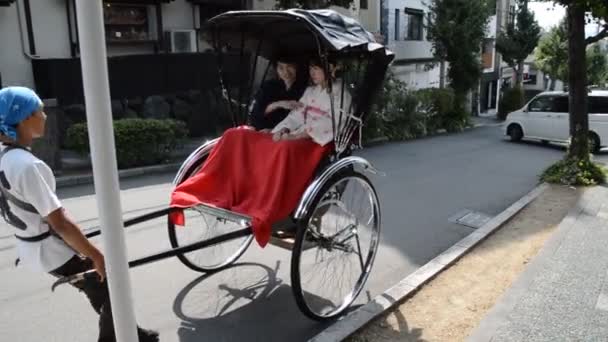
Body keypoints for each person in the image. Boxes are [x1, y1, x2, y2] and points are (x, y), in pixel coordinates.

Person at [0, 86, 158, 342]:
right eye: (39, 110)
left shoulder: (5, 157)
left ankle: (135, 334)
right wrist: (96, 254)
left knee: (98, 286)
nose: (45, 115)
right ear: (24, 118)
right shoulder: (28, 166)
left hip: (30, 246)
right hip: (51, 249)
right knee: (113, 286)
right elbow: (60, 223)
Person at [271, 58, 352, 146]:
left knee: (284, 147)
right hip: (298, 133)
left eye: (316, 69)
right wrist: (284, 128)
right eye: (310, 69)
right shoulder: (310, 91)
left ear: (330, 68)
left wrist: (300, 136)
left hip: (318, 140)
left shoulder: (342, 94)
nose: (312, 73)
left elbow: (335, 122)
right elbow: (298, 114)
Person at [248, 53, 308, 131]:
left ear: (297, 67)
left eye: (290, 67)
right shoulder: (268, 86)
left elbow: (303, 118)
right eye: (281, 68)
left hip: (286, 132)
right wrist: (278, 104)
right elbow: (255, 115)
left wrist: (274, 130)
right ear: (276, 69)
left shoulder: (305, 89)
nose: (286, 72)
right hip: (261, 129)